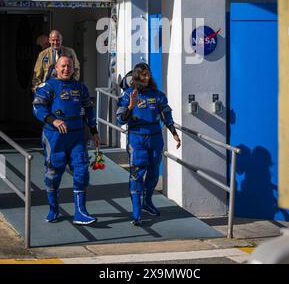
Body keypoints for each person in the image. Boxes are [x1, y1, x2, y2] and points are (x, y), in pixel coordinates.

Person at [33, 56, 100, 225]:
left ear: (73, 68)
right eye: (63, 66)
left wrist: (94, 131)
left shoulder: (80, 87)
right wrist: (52, 120)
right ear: (56, 67)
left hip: (77, 136)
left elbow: (89, 109)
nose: (66, 69)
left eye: (69, 66)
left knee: (82, 170)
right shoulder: (48, 86)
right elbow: (38, 107)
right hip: (55, 137)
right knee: (54, 172)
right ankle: (53, 209)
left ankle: (80, 212)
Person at [116, 62, 181, 226]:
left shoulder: (158, 95)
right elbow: (119, 119)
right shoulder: (128, 95)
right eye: (143, 74)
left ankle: (148, 201)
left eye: (148, 74)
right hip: (137, 138)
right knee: (137, 173)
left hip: (155, 137)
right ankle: (136, 211)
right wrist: (130, 107)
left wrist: (174, 133)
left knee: (153, 172)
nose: (147, 77)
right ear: (136, 76)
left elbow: (166, 114)